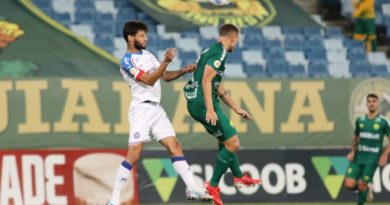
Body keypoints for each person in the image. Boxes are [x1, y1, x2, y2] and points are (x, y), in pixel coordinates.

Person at [107, 21, 211, 205]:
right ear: (131, 38)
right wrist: (165, 61)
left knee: (175, 146)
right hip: (141, 109)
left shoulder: (147, 55)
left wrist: (183, 70)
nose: (145, 38)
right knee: (134, 153)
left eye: (145, 35)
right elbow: (148, 80)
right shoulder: (126, 62)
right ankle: (114, 200)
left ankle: (192, 188)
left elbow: (165, 76)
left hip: (156, 109)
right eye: (141, 35)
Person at [183, 23, 261, 205]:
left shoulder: (211, 50)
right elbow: (206, 80)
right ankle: (212, 185)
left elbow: (217, 85)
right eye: (237, 41)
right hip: (203, 103)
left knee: (225, 142)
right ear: (233, 38)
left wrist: (236, 108)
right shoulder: (220, 53)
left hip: (197, 102)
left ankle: (239, 176)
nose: (237, 44)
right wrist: (210, 109)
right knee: (234, 142)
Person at [344, 93, 390, 205]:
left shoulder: (383, 121)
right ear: (366, 104)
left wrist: (384, 155)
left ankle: (363, 194)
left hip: (372, 159)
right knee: (349, 184)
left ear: (378, 104)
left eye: (374, 101)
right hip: (359, 158)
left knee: (361, 185)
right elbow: (356, 137)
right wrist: (352, 151)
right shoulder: (360, 120)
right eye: (369, 101)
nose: (371, 103)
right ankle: (367, 188)